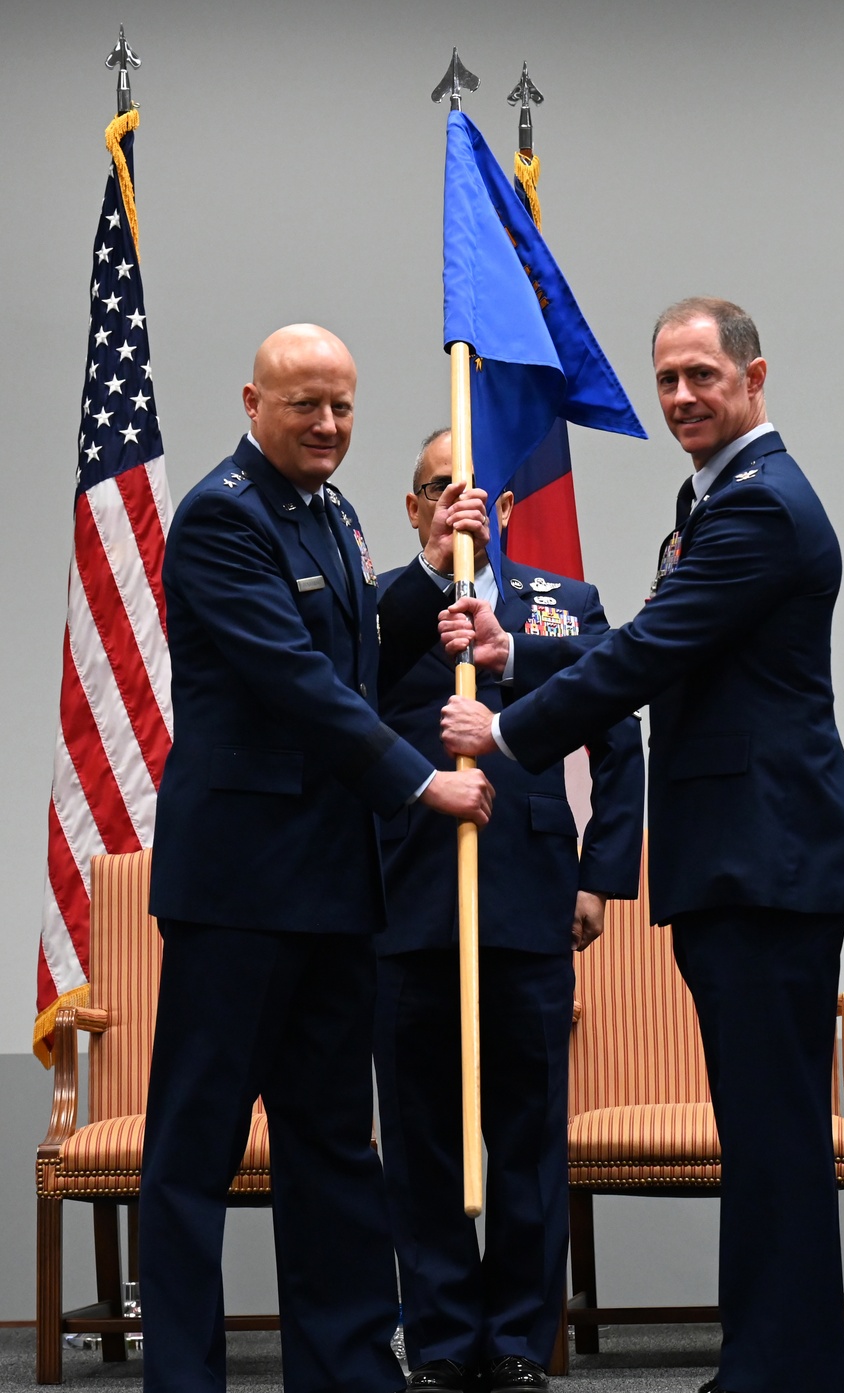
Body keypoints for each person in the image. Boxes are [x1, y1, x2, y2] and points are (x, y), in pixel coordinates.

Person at [438, 299, 844, 1393]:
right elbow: (654, 649)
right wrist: (514, 657)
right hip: (743, 857)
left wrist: (505, 726)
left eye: (701, 375)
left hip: (766, 858)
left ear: (752, 375)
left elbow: (646, 653)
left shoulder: (760, 508)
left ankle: (778, 1375)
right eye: (667, 378)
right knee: (760, 1136)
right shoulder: (716, 501)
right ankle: (771, 1367)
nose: (682, 396)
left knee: (772, 1140)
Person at [141, 325, 494, 1393]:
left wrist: (434, 569)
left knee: (335, 1144)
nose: (329, 424)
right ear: (254, 400)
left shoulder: (334, 512)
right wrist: (420, 781)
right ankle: (187, 1380)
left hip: (336, 885)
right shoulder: (220, 517)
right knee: (196, 1155)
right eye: (305, 404)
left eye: (342, 404)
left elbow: (355, 651)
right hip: (239, 891)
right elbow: (298, 683)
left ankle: (345, 1372)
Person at [372, 429, 644, 1393]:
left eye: (473, 490)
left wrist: (601, 875)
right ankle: (443, 1339)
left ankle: (523, 1340)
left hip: (531, 897)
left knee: (529, 1134)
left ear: (508, 509)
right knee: (422, 1135)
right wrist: (434, 574)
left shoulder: (563, 609)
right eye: (437, 488)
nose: (457, 502)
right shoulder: (379, 609)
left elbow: (616, 739)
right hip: (405, 902)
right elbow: (342, 708)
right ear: (412, 508)